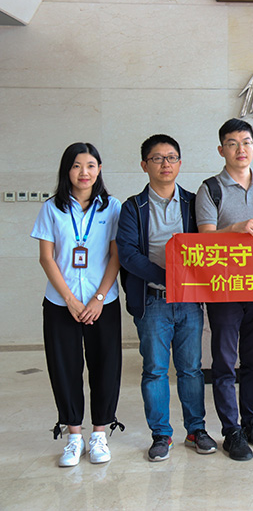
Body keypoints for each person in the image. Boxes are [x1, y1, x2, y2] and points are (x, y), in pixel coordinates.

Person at [117, 134, 217, 462]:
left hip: (188, 301)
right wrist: (168, 277)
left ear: (180, 163)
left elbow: (210, 244)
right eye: (157, 158)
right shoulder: (132, 207)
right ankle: (161, 434)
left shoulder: (193, 202)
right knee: (155, 370)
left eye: (171, 157)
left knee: (191, 369)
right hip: (153, 301)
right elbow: (128, 254)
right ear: (144, 164)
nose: (165, 164)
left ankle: (196, 429)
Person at [31, 142, 123, 467]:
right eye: (76, 166)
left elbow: (116, 256)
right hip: (61, 303)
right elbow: (46, 258)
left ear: (99, 170)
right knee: (64, 367)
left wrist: (98, 298)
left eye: (91, 165)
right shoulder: (51, 208)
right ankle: (73, 436)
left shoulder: (112, 207)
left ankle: (99, 434)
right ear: (66, 170)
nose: (84, 172)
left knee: (105, 366)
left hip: (103, 303)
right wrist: (70, 300)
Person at [195, 118, 253, 461]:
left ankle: (251, 422)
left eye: (245, 142)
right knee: (225, 362)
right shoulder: (210, 189)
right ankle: (231, 430)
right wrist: (236, 227)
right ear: (221, 149)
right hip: (224, 288)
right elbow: (204, 239)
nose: (240, 149)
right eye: (232, 143)